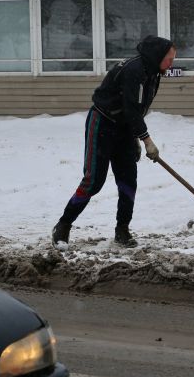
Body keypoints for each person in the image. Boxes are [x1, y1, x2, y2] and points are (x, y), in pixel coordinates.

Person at [52, 35, 176, 248]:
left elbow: (137, 109)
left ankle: (122, 230)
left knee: (128, 180)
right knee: (93, 181)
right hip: (102, 123)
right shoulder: (135, 70)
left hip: (124, 127)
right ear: (157, 56)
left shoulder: (153, 72)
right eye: (169, 59)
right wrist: (146, 140)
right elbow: (131, 108)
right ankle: (63, 225)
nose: (171, 64)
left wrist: (134, 136)